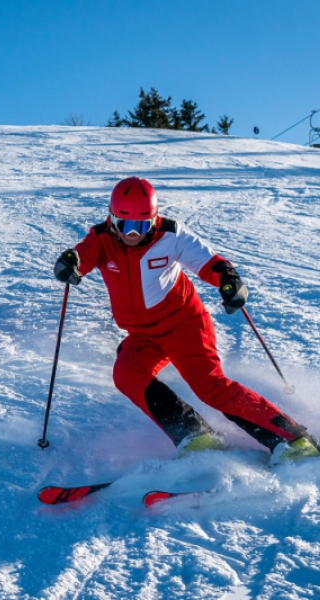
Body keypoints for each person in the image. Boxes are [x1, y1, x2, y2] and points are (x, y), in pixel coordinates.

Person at [54, 177, 319, 463]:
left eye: (141, 226)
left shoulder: (171, 234)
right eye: (124, 224)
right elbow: (83, 255)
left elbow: (207, 260)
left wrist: (229, 280)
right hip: (143, 334)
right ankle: (194, 435)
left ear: (154, 220)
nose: (132, 233)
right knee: (126, 373)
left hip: (184, 325)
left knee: (210, 387)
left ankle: (293, 439)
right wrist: (71, 263)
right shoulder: (102, 237)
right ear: (112, 218)